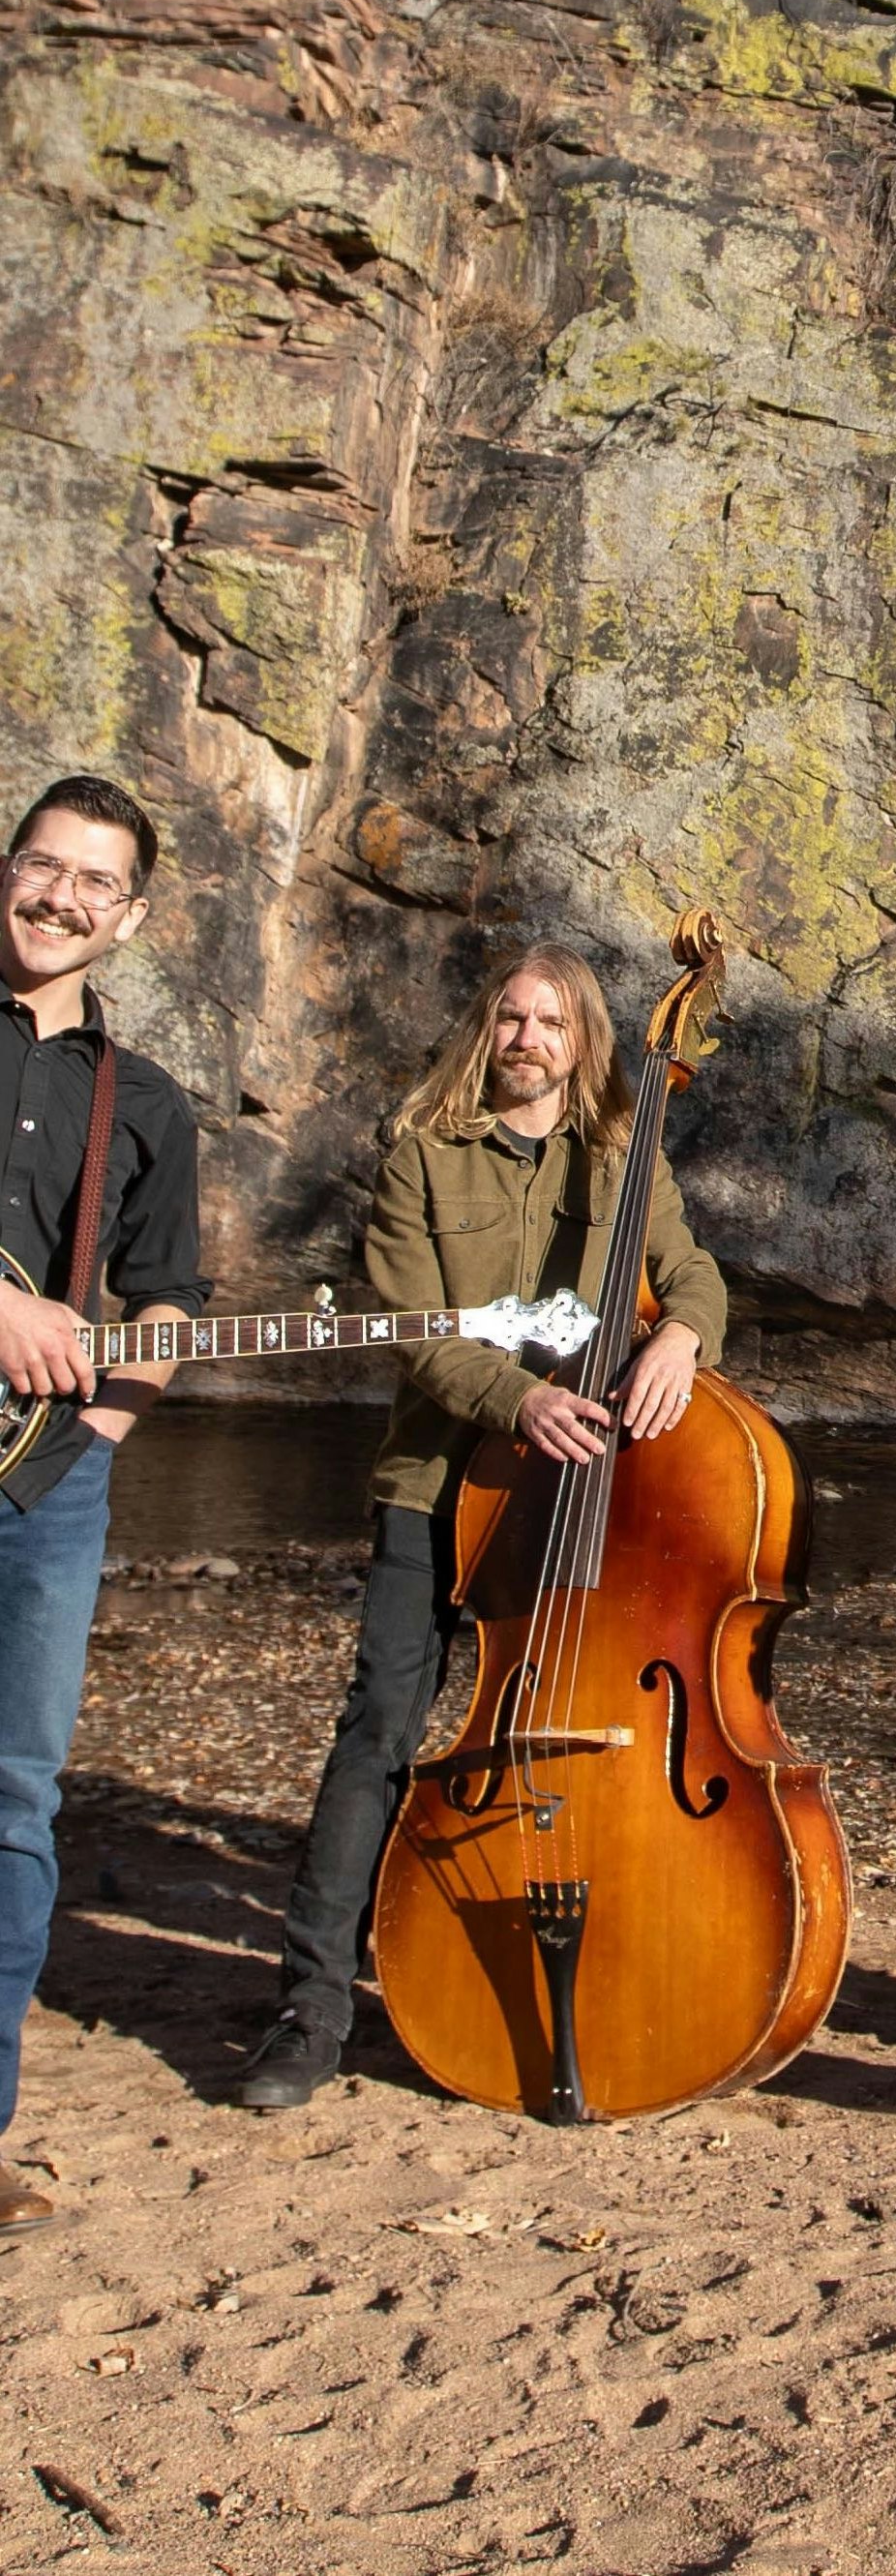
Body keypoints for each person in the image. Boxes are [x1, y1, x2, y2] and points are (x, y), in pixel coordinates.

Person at [232, 945, 726, 2110]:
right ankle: (312, 2006)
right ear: (485, 1031)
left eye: (551, 1023)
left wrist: (680, 1335)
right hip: (440, 1484)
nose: (527, 1040)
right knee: (382, 1732)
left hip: (577, 1496)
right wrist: (520, 1399)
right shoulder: (422, 1153)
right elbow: (416, 1327)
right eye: (510, 1018)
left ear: (583, 1041)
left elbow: (693, 1271)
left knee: (573, 1723)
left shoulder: (625, 1156)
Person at [0, 777, 207, 2231]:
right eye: (43, 864)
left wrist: (103, 1431)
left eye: (95, 882)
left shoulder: (146, 1103)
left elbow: (169, 1299)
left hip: (47, 1491)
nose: (61, 896)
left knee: (15, 1803)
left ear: (127, 918)